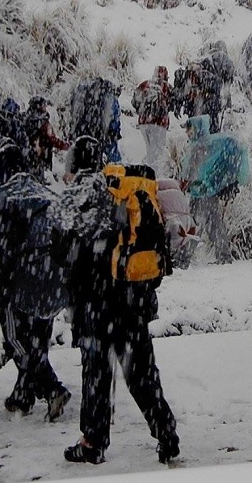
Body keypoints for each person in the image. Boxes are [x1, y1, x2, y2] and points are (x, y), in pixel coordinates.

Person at [59, 161, 179, 466]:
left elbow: (69, 254)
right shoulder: (140, 199)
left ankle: (93, 443)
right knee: (141, 375)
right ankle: (166, 433)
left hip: (98, 307)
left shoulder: (93, 199)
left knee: (96, 376)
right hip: (132, 305)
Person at [0, 144, 72, 420]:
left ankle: (52, 388)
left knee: (17, 340)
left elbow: (2, 250)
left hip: (23, 278)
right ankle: (23, 394)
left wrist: (4, 286)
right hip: (55, 278)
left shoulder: (3, 198)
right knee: (38, 336)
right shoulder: (43, 192)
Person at [180, 115, 249, 265]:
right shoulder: (211, 144)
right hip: (209, 191)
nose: (187, 133)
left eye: (189, 129)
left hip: (200, 192)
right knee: (214, 224)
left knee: (195, 223)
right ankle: (223, 255)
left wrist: (183, 184)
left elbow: (193, 172)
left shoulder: (199, 147)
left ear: (197, 128)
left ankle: (184, 257)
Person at [133, 66, 172, 176]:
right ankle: (153, 177)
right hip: (159, 123)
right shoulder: (166, 87)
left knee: (150, 151)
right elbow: (172, 104)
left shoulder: (145, 84)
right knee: (157, 153)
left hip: (143, 123)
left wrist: (142, 112)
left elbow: (134, 100)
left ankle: (146, 173)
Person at [24, 96, 70, 181]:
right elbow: (51, 139)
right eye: (44, 105)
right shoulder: (43, 122)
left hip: (28, 156)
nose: (46, 107)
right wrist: (65, 145)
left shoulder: (26, 119)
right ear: (39, 106)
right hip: (43, 157)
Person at [157, 178, 198, 270]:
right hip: (186, 221)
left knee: (172, 242)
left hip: (174, 223)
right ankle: (181, 260)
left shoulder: (158, 194)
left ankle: (174, 261)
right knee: (182, 242)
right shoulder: (179, 194)